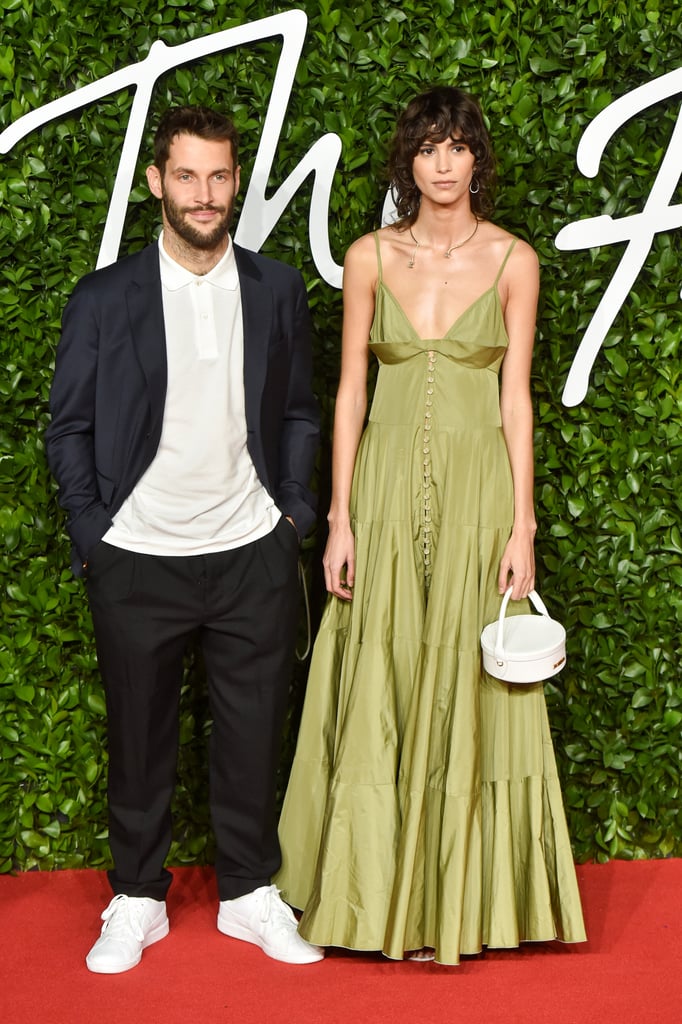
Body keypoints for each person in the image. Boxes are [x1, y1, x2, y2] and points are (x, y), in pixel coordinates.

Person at [275, 87, 586, 964]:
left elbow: (516, 398)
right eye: (427, 148)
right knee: (385, 666)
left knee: (466, 672)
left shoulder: (514, 260)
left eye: (456, 147)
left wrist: (523, 523)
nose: (442, 164)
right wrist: (338, 517)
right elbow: (348, 393)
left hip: (478, 489)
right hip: (378, 489)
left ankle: (457, 901)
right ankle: (374, 897)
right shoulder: (369, 256)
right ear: (406, 162)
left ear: (476, 158)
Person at [45, 106, 323, 972]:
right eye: (188, 176)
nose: (205, 195)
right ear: (157, 182)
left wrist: (294, 519)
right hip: (138, 557)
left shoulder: (276, 289)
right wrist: (97, 532)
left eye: (220, 177)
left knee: (251, 737)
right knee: (139, 738)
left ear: (236, 181)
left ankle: (247, 894)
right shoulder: (105, 298)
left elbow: (300, 413)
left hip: (252, 553)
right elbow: (69, 429)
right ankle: (136, 897)